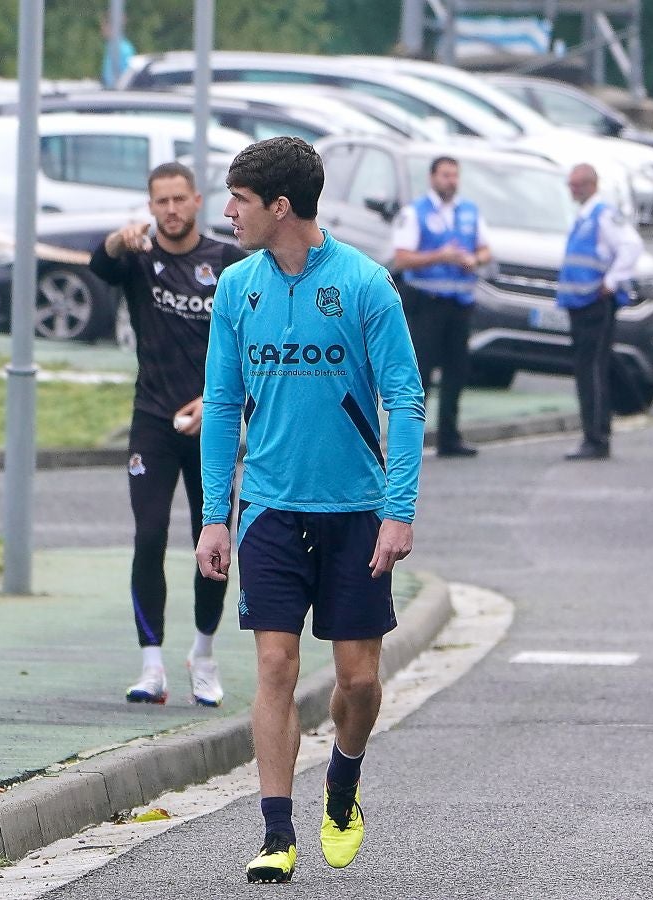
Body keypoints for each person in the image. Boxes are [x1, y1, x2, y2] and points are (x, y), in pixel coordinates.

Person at [195, 137, 425, 883]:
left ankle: (343, 782)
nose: (227, 212)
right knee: (274, 665)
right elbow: (224, 404)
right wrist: (214, 514)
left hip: (356, 510)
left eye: (240, 200)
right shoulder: (236, 288)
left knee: (356, 683)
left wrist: (399, 509)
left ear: (281, 207)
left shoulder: (364, 284)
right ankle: (274, 832)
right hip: (267, 510)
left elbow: (406, 399)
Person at [89, 162, 247, 707]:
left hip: (213, 421)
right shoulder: (138, 257)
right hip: (153, 419)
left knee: (213, 542)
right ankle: (150, 663)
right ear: (150, 206)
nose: (172, 211)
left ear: (198, 201)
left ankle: (203, 653)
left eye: (181, 200)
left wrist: (221, 401)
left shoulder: (228, 261)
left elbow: (256, 336)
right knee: (149, 532)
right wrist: (115, 242)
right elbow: (98, 265)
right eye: (162, 202)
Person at [390, 155, 491, 458]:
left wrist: (476, 259)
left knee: (457, 371)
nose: (451, 181)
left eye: (455, 175)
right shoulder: (415, 213)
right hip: (427, 303)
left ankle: (450, 437)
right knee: (420, 373)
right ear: (432, 178)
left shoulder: (469, 211)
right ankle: (410, 440)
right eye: (445, 175)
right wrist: (439, 256)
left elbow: (485, 249)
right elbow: (402, 258)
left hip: (460, 303)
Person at [558, 162, 643, 460]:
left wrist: (611, 281)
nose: (571, 190)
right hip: (579, 303)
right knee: (589, 368)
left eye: (575, 184)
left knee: (592, 369)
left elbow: (631, 245)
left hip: (595, 303)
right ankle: (594, 434)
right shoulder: (583, 217)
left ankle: (595, 437)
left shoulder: (602, 215)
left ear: (589, 184)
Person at [100, 12, 135, 89]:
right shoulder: (110, 46)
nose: (102, 29)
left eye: (104, 25)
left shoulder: (123, 49)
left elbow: (126, 78)